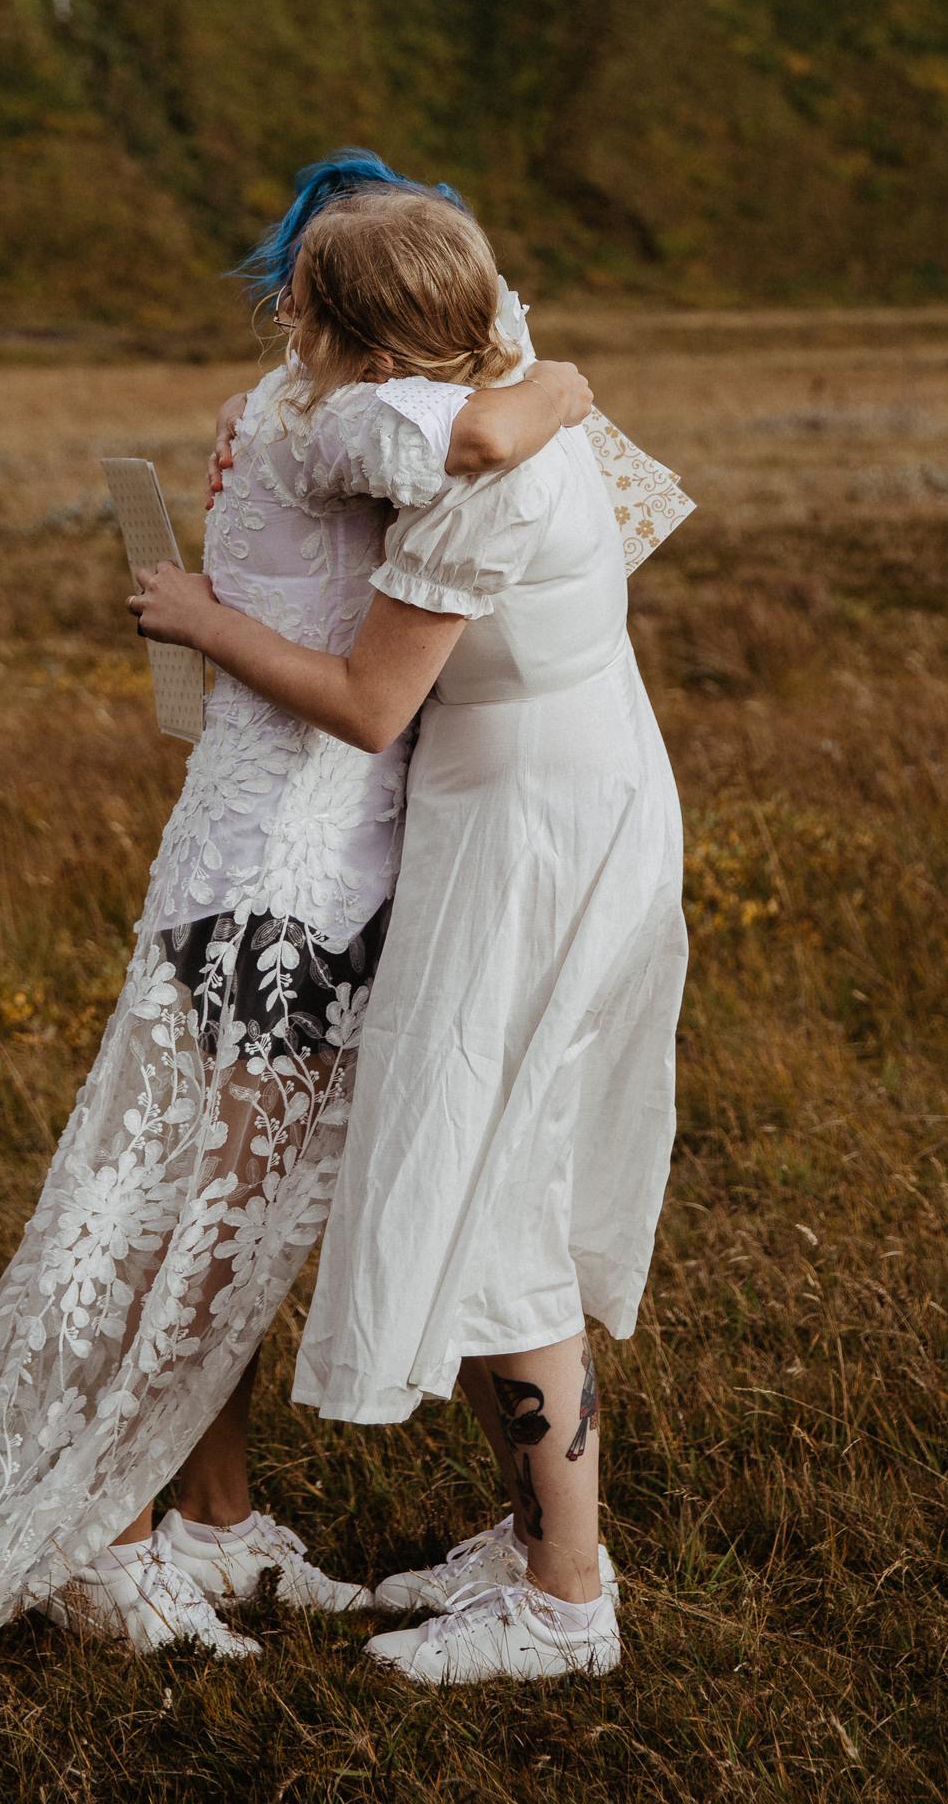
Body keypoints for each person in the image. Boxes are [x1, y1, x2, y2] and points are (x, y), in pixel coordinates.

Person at [0, 159, 591, 1676]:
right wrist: (563, 382)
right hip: (285, 888)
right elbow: (486, 420)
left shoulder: (281, 404)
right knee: (198, 1232)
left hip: (247, 865)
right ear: (370, 339)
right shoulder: (354, 417)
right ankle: (117, 1540)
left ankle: (211, 1523)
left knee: (214, 1208)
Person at [132, 192, 690, 1687]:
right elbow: (532, 434)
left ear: (361, 345)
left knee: (499, 1172)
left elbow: (372, 703)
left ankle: (568, 1602)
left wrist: (199, 616)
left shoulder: (460, 474)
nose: (289, 344)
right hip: (582, 784)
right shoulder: (513, 391)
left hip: (525, 824)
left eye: (304, 319)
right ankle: (532, 1540)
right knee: (506, 1152)